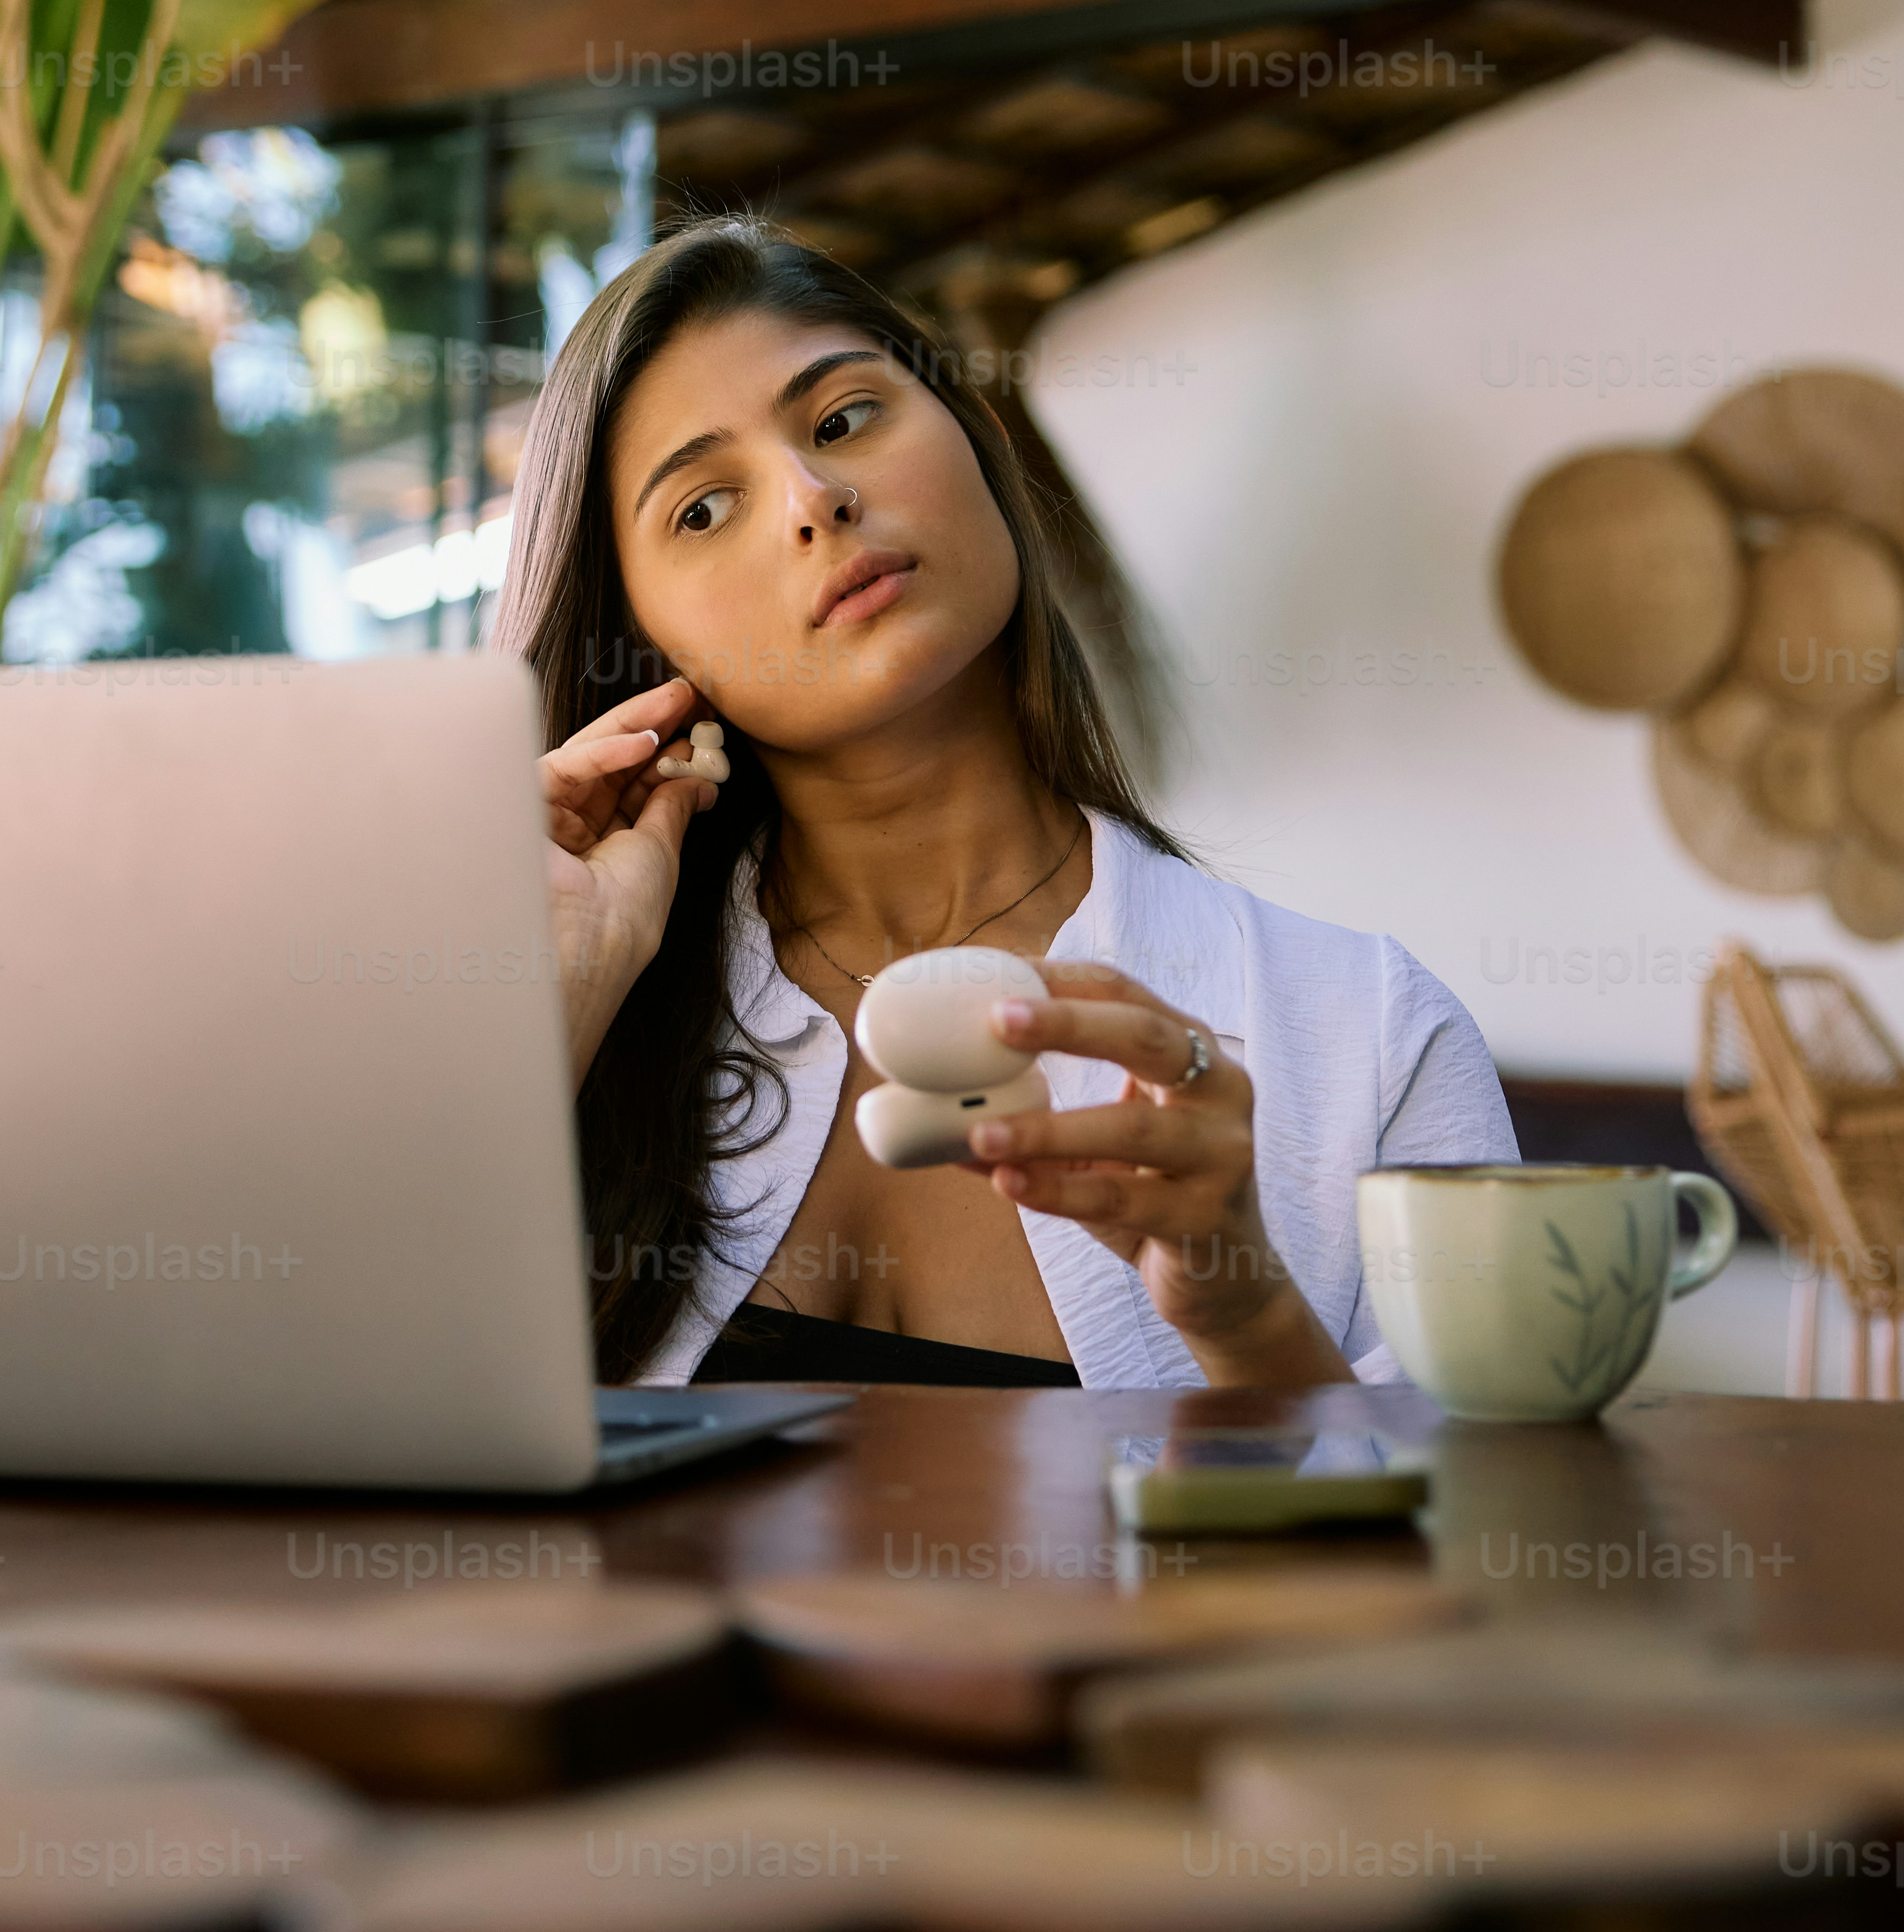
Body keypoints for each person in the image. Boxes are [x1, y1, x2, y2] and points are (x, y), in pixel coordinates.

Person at [494, 216, 1513, 1392]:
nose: (811, 497)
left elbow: (1467, 1546)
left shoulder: (1368, 1039)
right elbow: (337, 1470)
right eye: (702, 508)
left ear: (975, 440)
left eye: (841, 420)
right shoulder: (568, 1009)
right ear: (640, 639)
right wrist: (550, 1008)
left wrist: (1243, 1323)